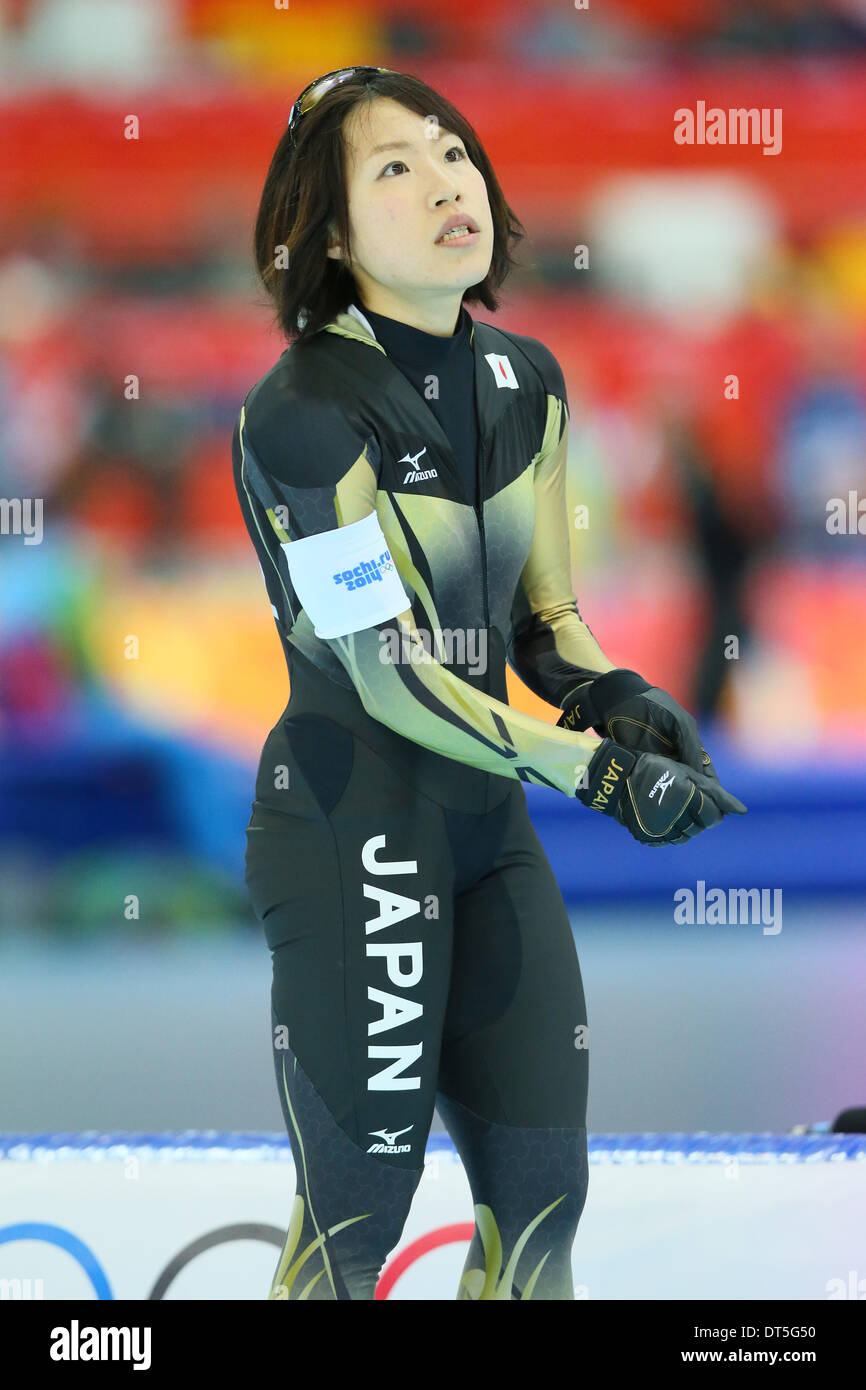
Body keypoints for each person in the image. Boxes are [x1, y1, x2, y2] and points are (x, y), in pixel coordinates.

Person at [231, 66, 746, 1301]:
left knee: (541, 1212)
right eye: (393, 167)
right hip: (354, 819)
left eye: (450, 149)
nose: (444, 178)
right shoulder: (302, 413)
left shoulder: (529, 382)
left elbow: (541, 619)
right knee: (352, 1228)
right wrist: (588, 767)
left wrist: (610, 690)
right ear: (334, 234)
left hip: (486, 827)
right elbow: (389, 673)